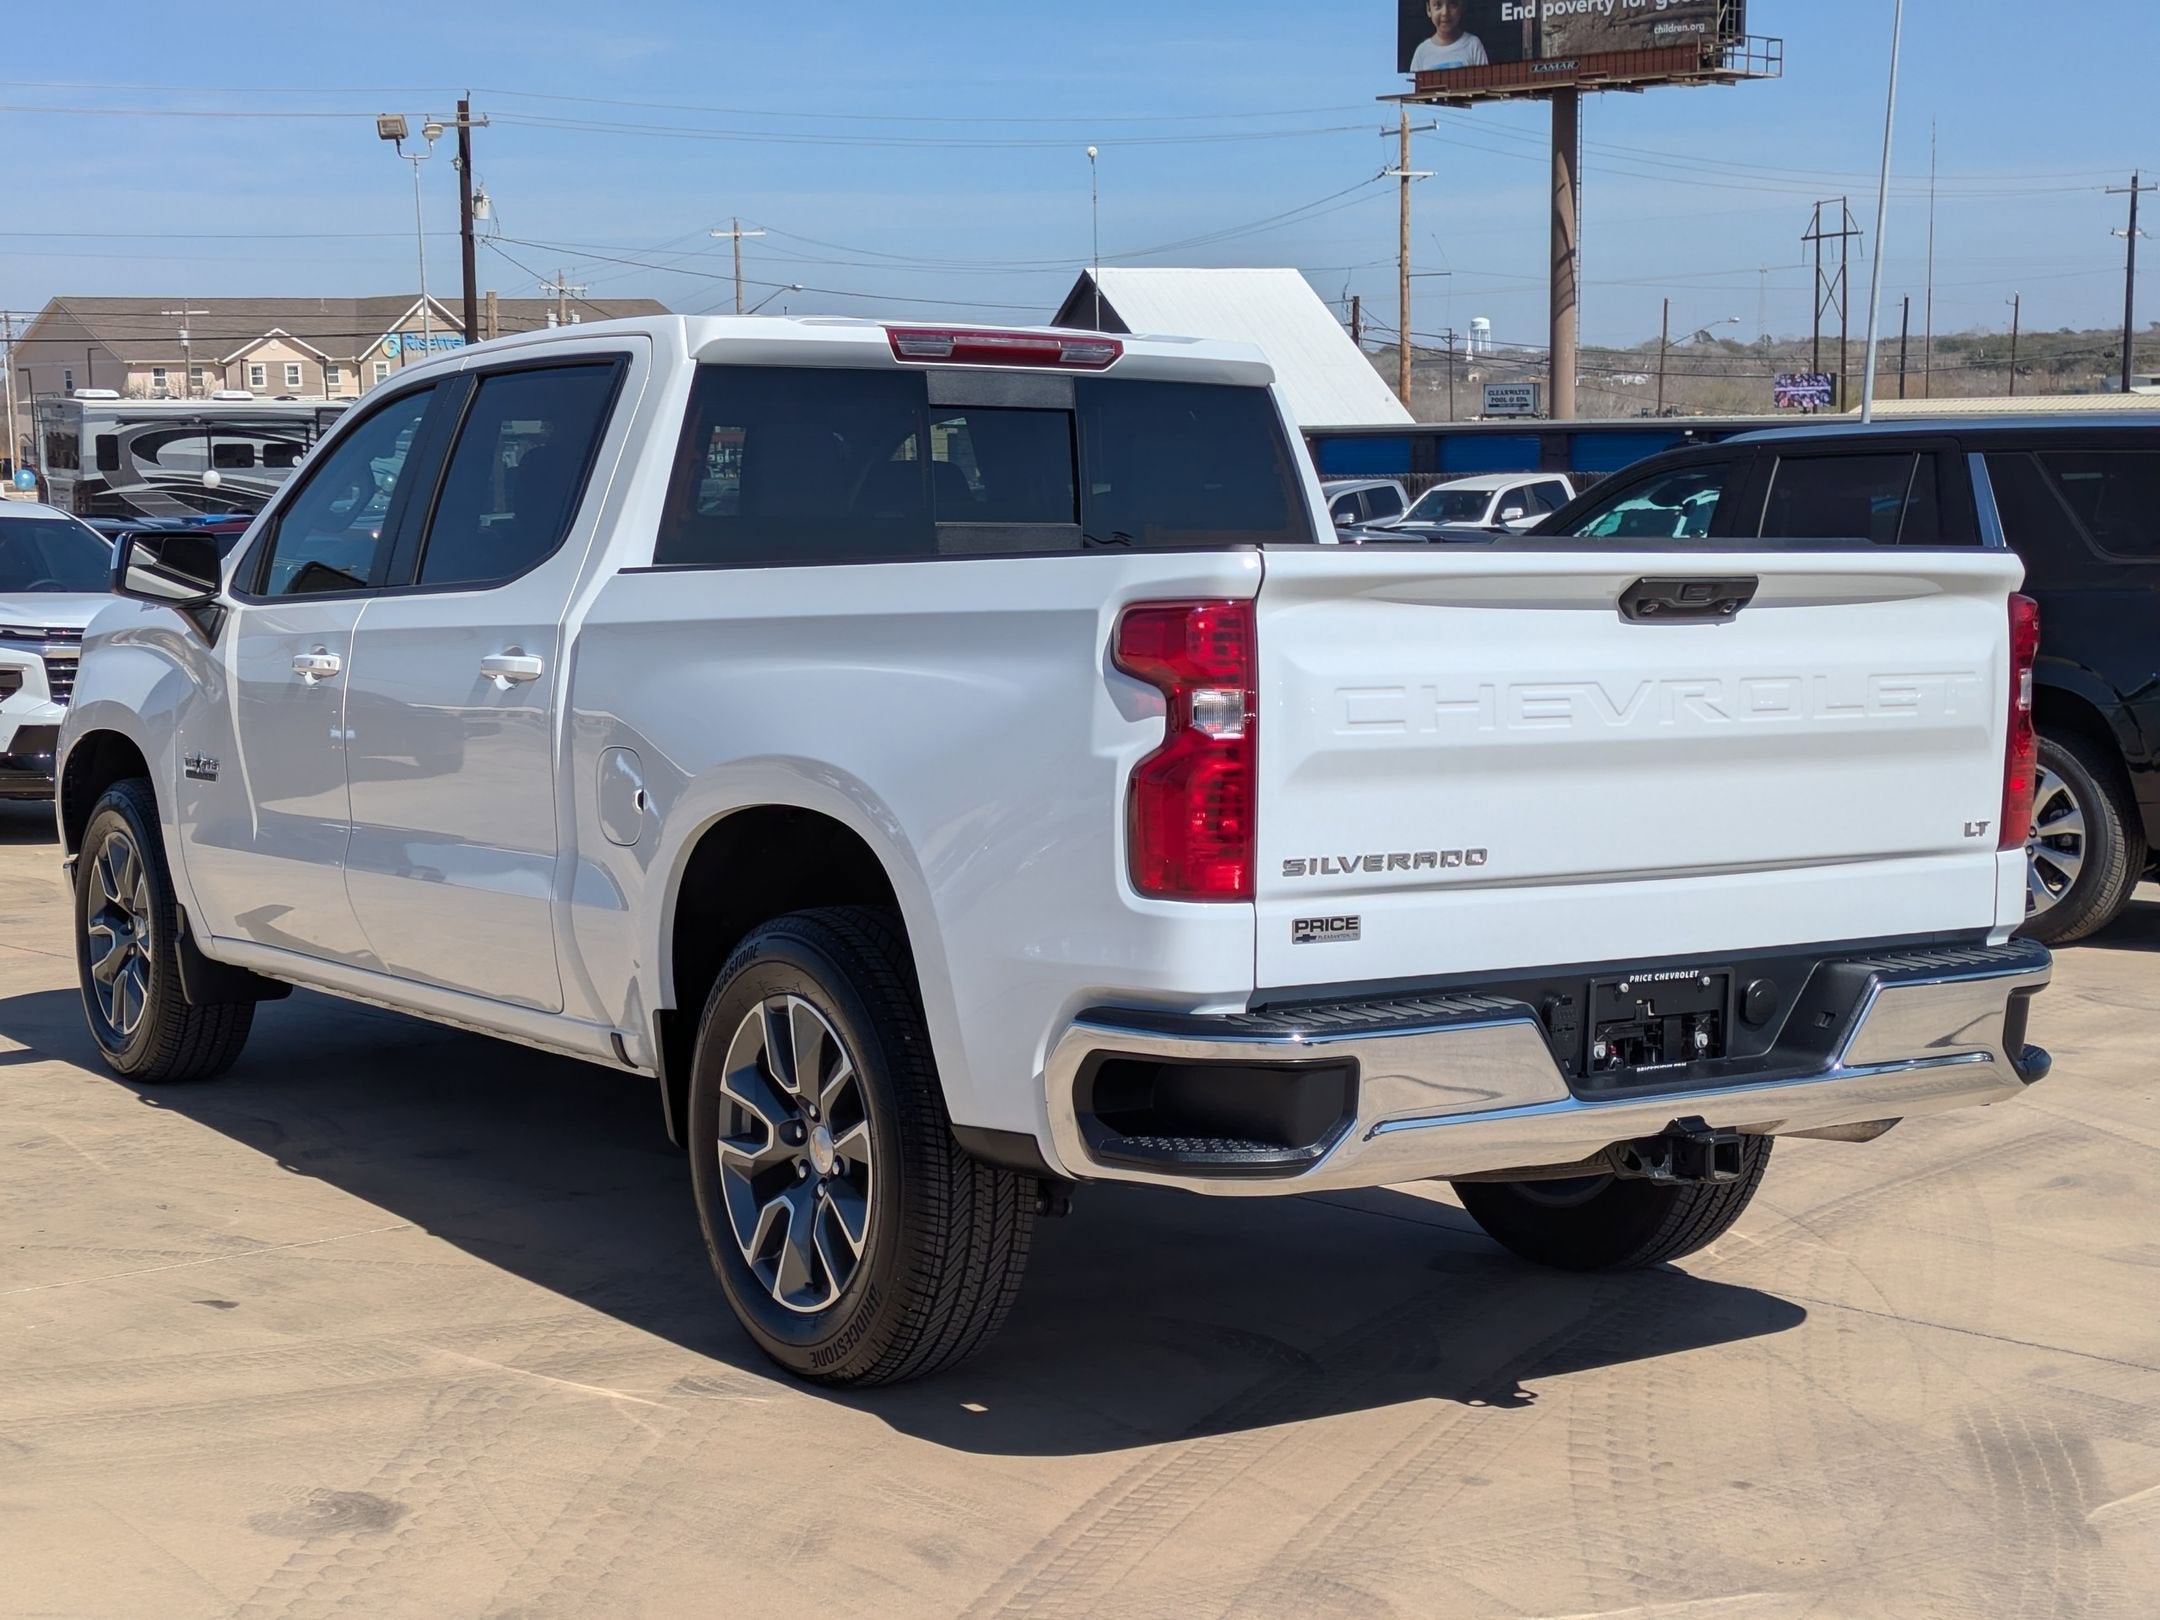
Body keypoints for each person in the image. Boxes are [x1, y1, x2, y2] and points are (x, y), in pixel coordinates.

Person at [1410, 0, 1489, 71]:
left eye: (1452, 4)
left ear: (1462, 7)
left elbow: (1485, 83)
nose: (1445, 12)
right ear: (1428, 9)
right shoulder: (1422, 51)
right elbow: (1415, 86)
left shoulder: (1473, 45)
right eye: (1438, 5)